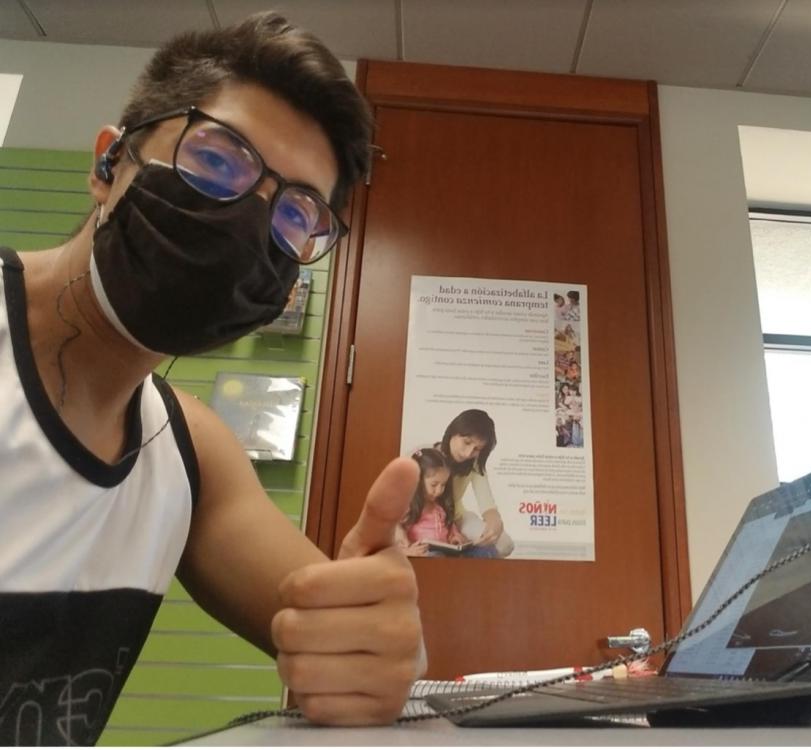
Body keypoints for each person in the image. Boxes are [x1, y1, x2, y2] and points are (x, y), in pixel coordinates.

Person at [0, 13, 423, 745]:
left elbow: (351, 641)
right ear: (109, 165)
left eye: (295, 213)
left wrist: (386, 645)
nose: (248, 222)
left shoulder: (192, 454)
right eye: (219, 160)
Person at [433, 409, 515, 557]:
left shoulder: (474, 464)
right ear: (453, 432)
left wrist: (495, 523)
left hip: (457, 516)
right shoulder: (426, 456)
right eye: (467, 442)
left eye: (477, 449)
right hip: (427, 518)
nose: (468, 453)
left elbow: (487, 503)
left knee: (505, 545)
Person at [397, 448, 496, 558]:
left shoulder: (439, 507)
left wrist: (455, 537)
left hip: (446, 551)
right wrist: (406, 551)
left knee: (487, 550)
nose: (439, 490)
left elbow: (449, 526)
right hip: (424, 555)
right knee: (436, 556)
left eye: (443, 485)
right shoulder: (407, 507)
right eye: (434, 485)